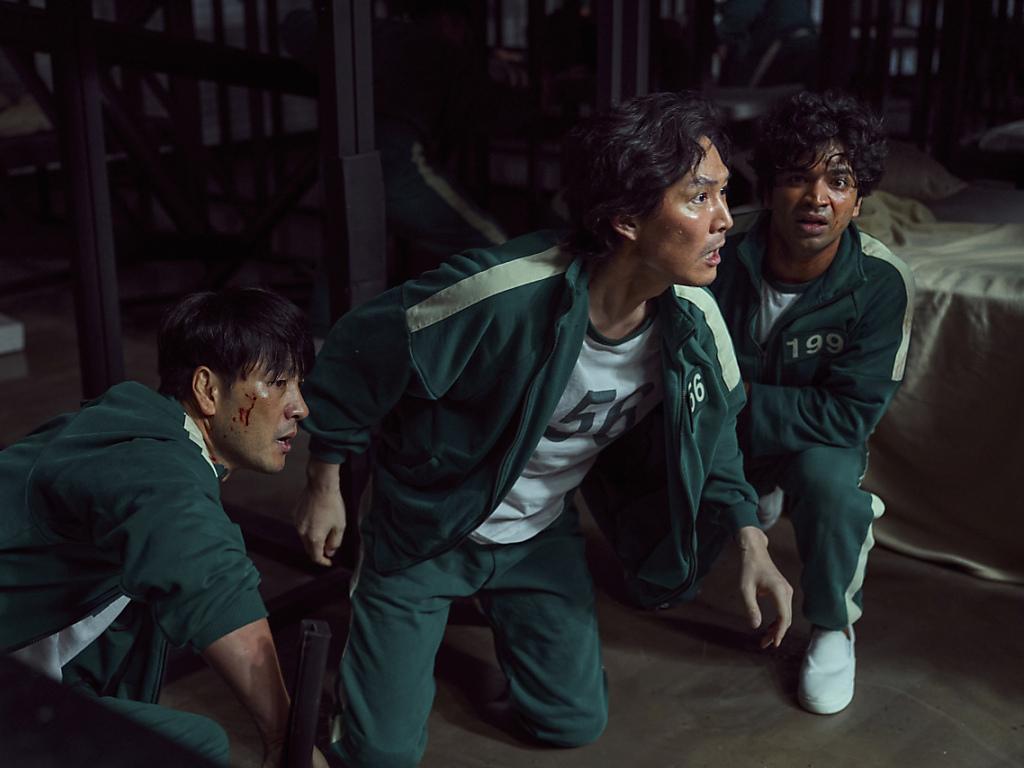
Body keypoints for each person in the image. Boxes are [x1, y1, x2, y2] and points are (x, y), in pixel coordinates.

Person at [293, 91, 793, 768]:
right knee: (378, 757)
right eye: (699, 197)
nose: (725, 219)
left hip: (539, 534)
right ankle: (383, 673)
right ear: (625, 220)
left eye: (724, 194)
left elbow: (717, 433)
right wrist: (325, 477)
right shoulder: (501, 293)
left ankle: (507, 633)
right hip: (429, 526)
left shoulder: (694, 320)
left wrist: (750, 537)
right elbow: (361, 350)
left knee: (571, 722)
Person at [0, 288, 328, 768]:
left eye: (298, 384)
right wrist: (283, 736)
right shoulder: (147, 459)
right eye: (277, 382)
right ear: (208, 390)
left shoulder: (150, 437)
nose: (299, 406)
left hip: (32, 668)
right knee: (190, 746)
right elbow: (205, 571)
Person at [710, 91, 915, 715]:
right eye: (798, 177)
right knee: (653, 582)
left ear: (860, 198)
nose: (817, 197)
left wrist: (738, 399)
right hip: (719, 437)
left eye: (839, 180)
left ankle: (832, 628)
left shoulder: (881, 281)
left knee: (832, 487)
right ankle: (753, 495)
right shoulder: (720, 252)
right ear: (770, 188)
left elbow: (850, 415)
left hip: (810, 444)